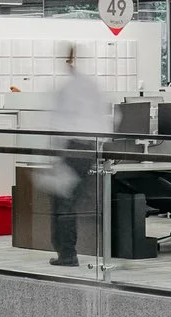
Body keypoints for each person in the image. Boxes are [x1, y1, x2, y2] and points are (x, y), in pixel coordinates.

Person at [47, 43, 113, 268]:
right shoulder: (91, 85)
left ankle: (67, 254)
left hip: (73, 148)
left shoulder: (69, 88)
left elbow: (60, 123)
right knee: (71, 201)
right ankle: (69, 252)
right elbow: (106, 117)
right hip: (89, 148)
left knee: (63, 203)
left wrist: (55, 156)